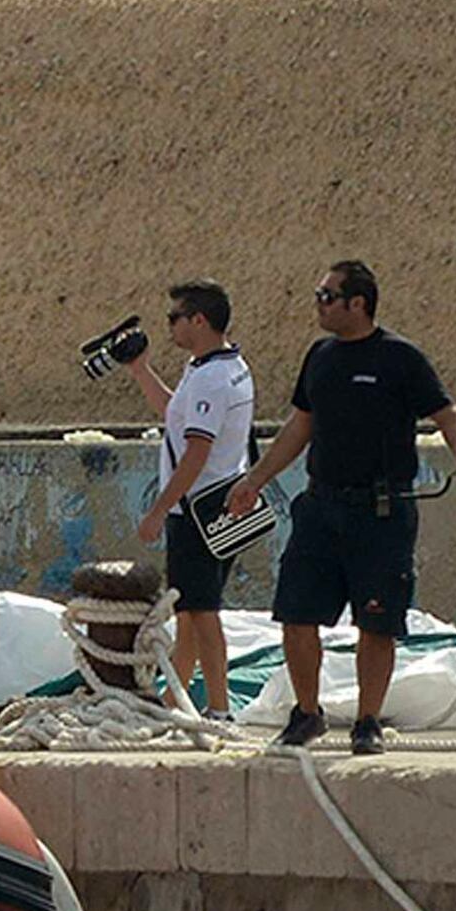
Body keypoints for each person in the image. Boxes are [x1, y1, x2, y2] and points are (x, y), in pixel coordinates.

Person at [221, 260, 456, 754]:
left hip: (381, 514)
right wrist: (255, 480)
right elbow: (300, 426)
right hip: (321, 508)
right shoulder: (320, 357)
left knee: (376, 623)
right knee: (296, 615)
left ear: (357, 304)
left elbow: (447, 412)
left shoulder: (399, 358)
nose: (317, 304)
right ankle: (307, 713)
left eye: (326, 296)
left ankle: (368, 721)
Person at [131, 279, 253, 720]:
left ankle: (219, 707)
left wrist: (159, 509)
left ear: (198, 320)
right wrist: (141, 369)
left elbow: (196, 452)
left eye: (174, 318)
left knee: (202, 612)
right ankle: (173, 702)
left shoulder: (213, 379)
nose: (170, 327)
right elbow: (175, 415)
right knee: (188, 611)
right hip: (216, 505)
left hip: (199, 510)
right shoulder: (212, 367)